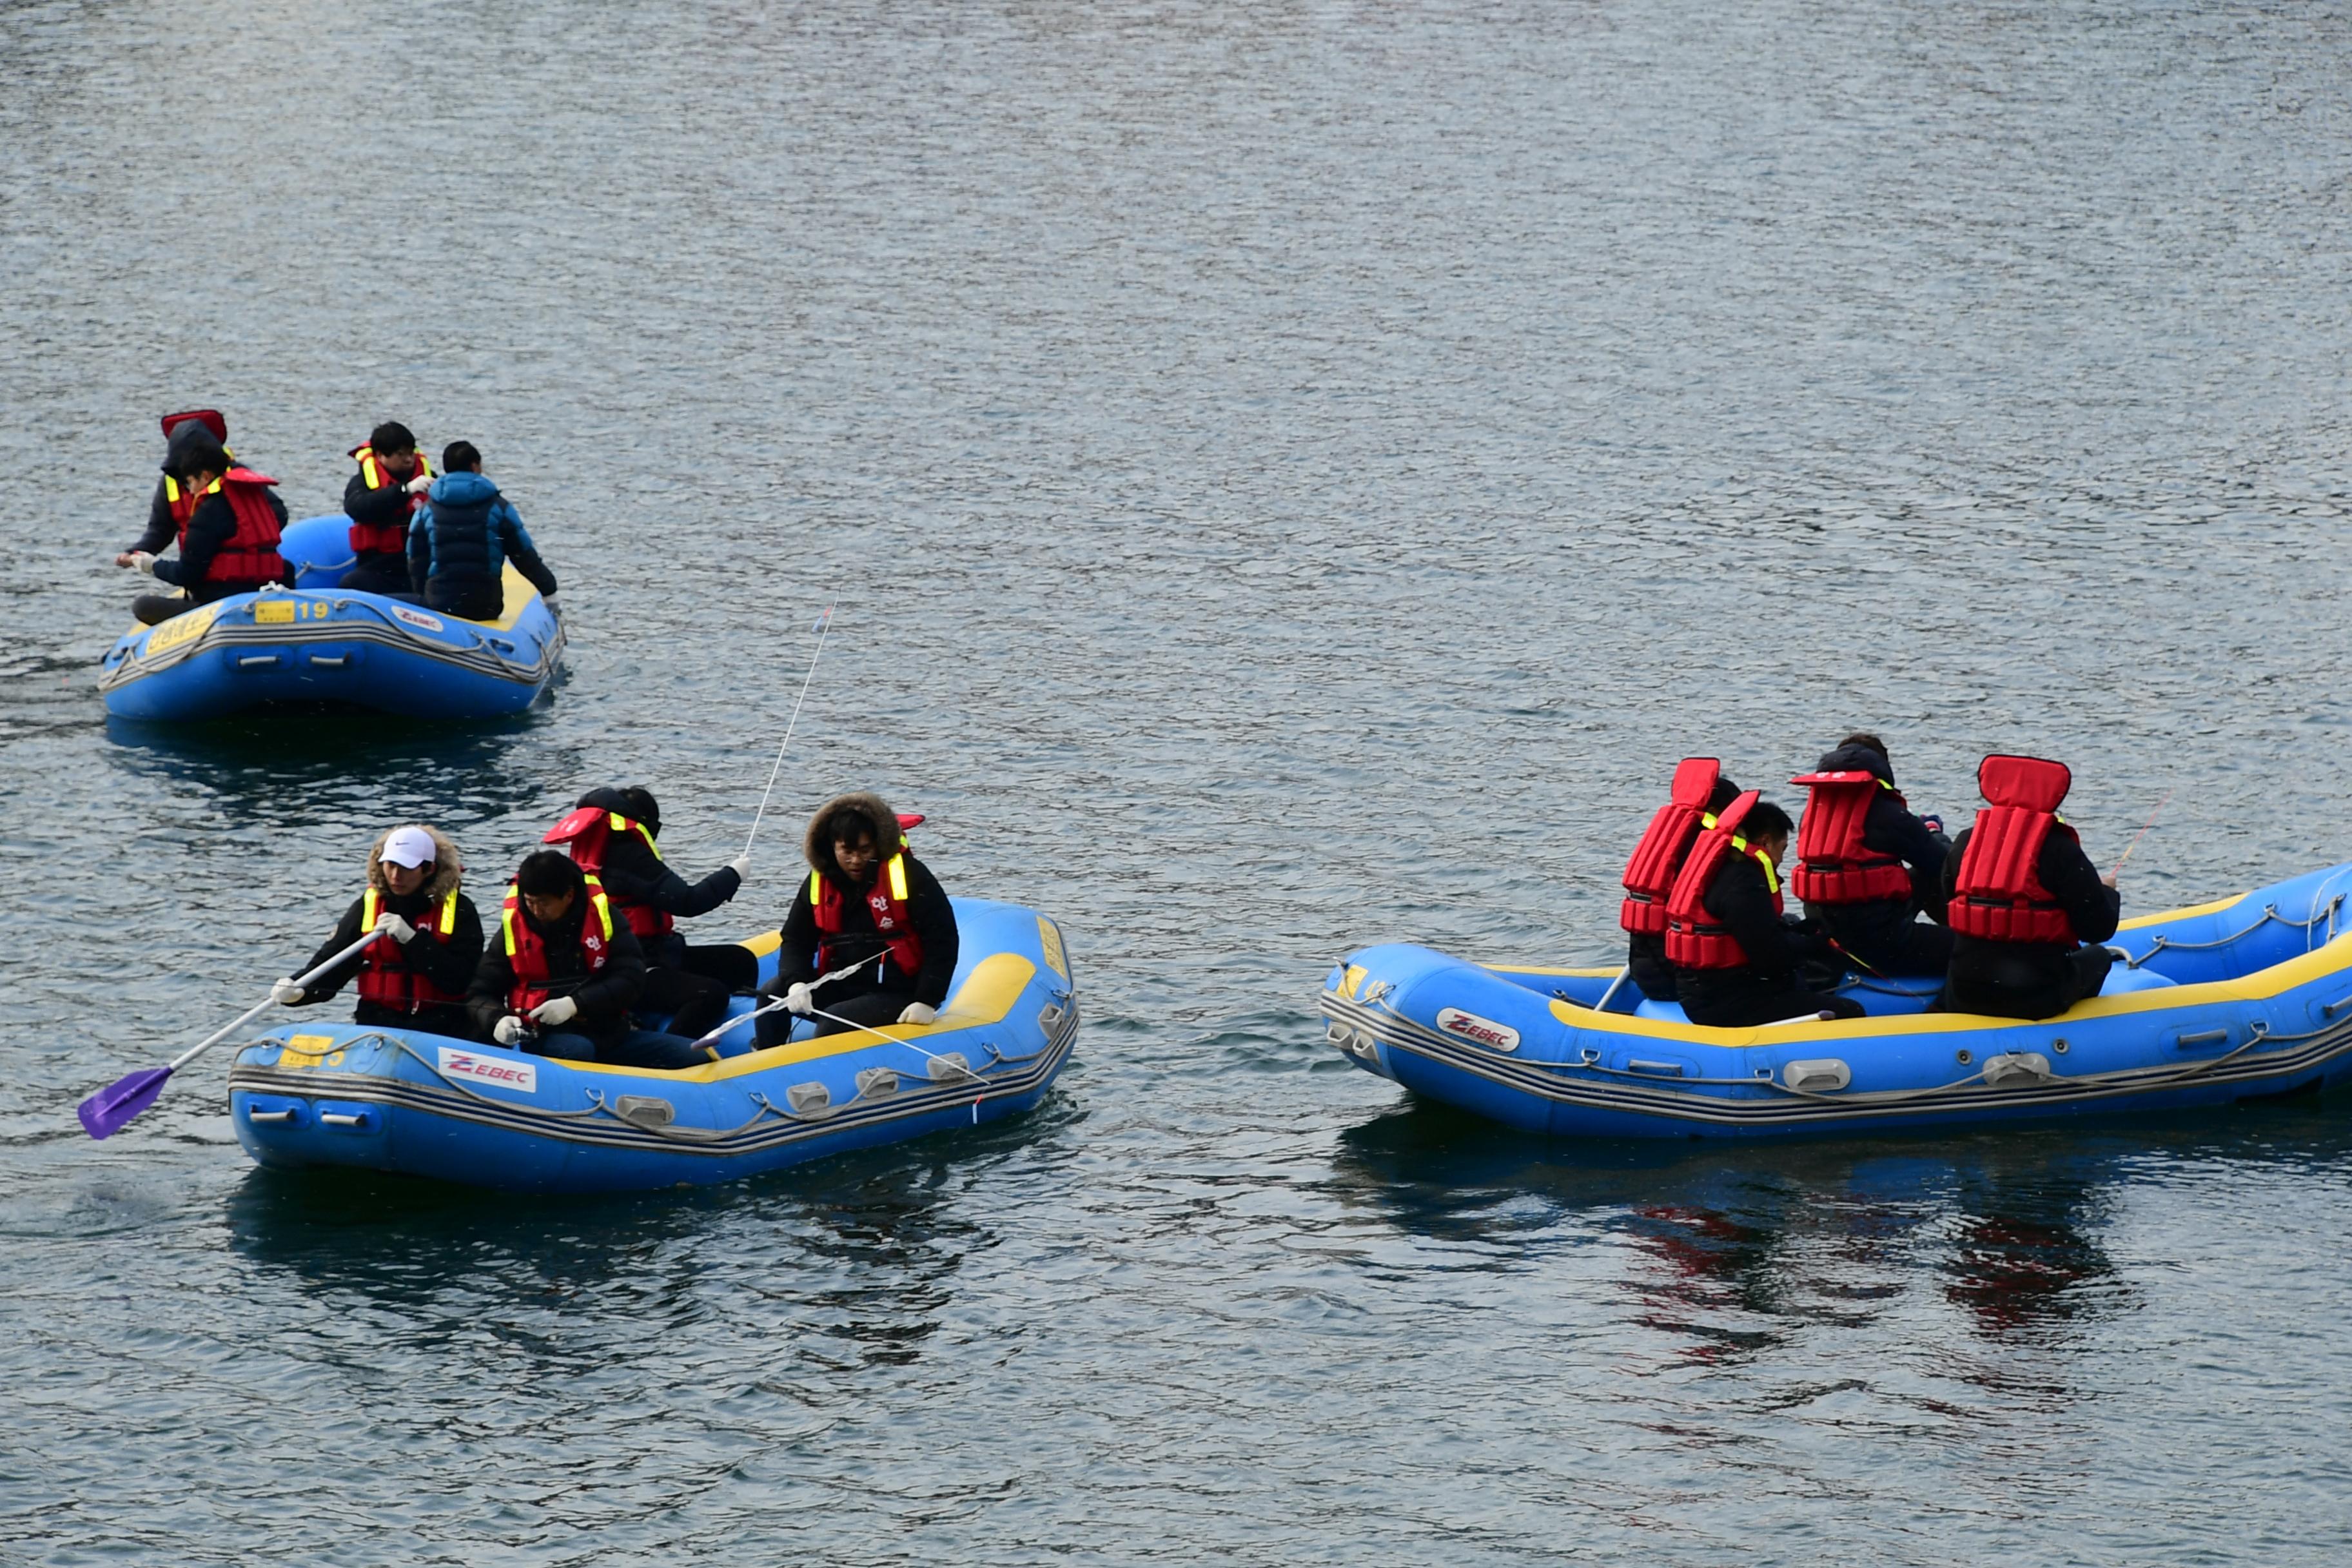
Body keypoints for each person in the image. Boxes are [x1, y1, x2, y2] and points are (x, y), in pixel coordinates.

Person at [541, 786, 750, 1039]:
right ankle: (674, 1050)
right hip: (634, 968)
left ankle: (743, 1026)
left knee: (740, 961)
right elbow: (688, 901)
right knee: (711, 994)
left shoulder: (594, 850)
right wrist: (733, 874)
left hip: (633, 957)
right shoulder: (630, 855)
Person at [467, 850, 707, 1070]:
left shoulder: (604, 919)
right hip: (545, 1036)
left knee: (694, 1057)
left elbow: (631, 978)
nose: (536, 911)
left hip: (609, 1030)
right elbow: (480, 991)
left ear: (569, 896)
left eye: (544, 903)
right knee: (577, 1050)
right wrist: (496, 1019)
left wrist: (576, 1004)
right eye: (530, 902)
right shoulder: (514, 929)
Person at [754, 792, 958, 1046]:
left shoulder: (909, 876)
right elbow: (796, 939)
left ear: (878, 845)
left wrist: (927, 1000)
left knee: (833, 1023)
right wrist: (796, 982)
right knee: (771, 995)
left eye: (865, 850)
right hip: (841, 983)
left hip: (897, 992)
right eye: (847, 852)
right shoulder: (819, 882)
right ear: (833, 847)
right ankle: (765, 1055)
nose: (856, 861)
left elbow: (943, 939)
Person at [1941, 754, 2121, 1019]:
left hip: (1965, 994)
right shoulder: (2061, 849)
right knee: (2100, 957)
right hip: (2035, 997)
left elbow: (1946, 899)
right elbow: (2098, 929)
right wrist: (2107, 892)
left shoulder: (1967, 841)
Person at [1664, 792, 1867, 1028]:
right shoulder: (1745, 883)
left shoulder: (1719, 870)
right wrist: (1815, 944)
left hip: (1703, 992)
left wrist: (1796, 931)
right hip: (1724, 1005)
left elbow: (1752, 933)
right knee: (1851, 1011)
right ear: (1765, 842)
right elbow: (1771, 958)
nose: (1780, 859)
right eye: (1782, 848)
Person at [270, 825, 483, 1038]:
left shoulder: (460, 911)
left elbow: (461, 980)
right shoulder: (367, 907)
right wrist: (298, 989)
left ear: (429, 870)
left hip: (442, 1026)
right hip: (378, 1023)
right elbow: (331, 964)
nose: (396, 876)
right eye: (390, 865)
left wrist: (412, 941)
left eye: (407, 868)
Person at [1787, 733, 1954, 977]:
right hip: (1883, 946)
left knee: (1916, 875)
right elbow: (1944, 865)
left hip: (1830, 940)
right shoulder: (1890, 815)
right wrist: (1935, 834)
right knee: (1969, 950)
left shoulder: (1811, 816)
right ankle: (1948, 1002)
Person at [117, 429, 289, 624]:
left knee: (143, 606)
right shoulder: (254, 496)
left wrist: (151, 565)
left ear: (205, 477)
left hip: (222, 606)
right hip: (268, 594)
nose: (189, 490)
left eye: (190, 482)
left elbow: (186, 574)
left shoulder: (207, 514)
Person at [1618, 757, 1744, 1002]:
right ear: (1718, 813)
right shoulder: (1706, 854)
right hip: (1678, 982)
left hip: (1645, 970)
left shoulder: (1667, 843)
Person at [407, 440, 560, 620]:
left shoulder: (427, 509)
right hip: (485, 606)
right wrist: (549, 592)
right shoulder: (498, 508)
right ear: (475, 466)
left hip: (440, 602)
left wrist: (421, 594)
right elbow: (524, 555)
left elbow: (416, 558)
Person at [121, 410, 231, 566]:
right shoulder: (170, 481)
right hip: (197, 573)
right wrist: (135, 553)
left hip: (237, 576)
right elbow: (160, 530)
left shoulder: (237, 476)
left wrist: (155, 567)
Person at [342, 421, 433, 596]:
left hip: (419, 565)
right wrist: (404, 491)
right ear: (381, 455)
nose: (409, 460)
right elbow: (358, 507)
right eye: (401, 455)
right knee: (351, 583)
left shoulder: (426, 479)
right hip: (380, 567)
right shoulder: (362, 483)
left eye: (411, 453)